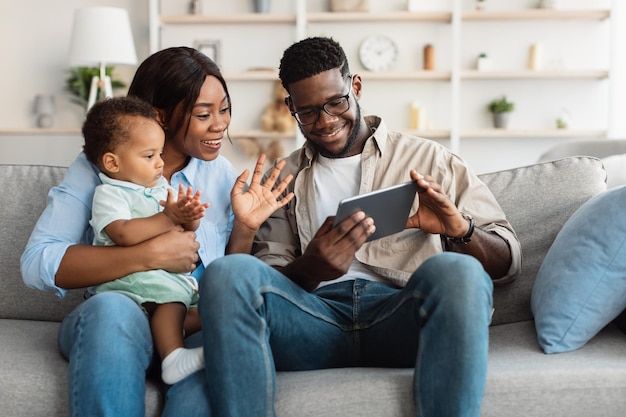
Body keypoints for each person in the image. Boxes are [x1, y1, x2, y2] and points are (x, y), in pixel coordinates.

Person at [199, 37, 522, 417]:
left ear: (355, 86)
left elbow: (508, 265)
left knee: (459, 271)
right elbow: (265, 288)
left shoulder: (430, 159)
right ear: (291, 108)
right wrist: (311, 267)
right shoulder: (281, 178)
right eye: (308, 112)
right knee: (227, 273)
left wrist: (460, 228)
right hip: (314, 321)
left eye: (336, 102)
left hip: (401, 315)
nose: (326, 121)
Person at [21, 46, 293, 417]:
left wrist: (245, 228)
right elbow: (38, 261)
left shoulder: (220, 174)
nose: (221, 124)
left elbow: (228, 283)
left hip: (187, 323)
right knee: (111, 310)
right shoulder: (100, 169)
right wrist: (145, 255)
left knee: (213, 356)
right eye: (203, 114)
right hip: (119, 314)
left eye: (224, 109)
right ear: (161, 117)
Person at [83, 96, 211, 385]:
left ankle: (167, 339)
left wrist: (189, 216)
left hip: (167, 278)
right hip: (133, 280)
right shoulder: (111, 194)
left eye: (160, 154)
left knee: (207, 312)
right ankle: (173, 357)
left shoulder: (161, 187)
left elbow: (185, 229)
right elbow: (123, 233)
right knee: (172, 305)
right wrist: (168, 217)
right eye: (149, 155)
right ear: (112, 162)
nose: (160, 163)